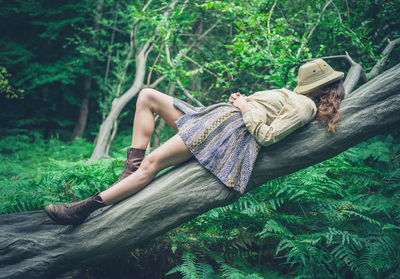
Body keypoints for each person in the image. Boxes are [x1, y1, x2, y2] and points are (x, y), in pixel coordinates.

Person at [45, 59, 345, 225]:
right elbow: (259, 114)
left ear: (315, 89)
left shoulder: (305, 106)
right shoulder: (299, 100)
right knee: (147, 95)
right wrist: (242, 101)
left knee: (152, 164)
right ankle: (130, 169)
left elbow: (267, 136)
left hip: (222, 134)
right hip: (215, 120)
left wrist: (243, 107)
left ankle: (83, 209)